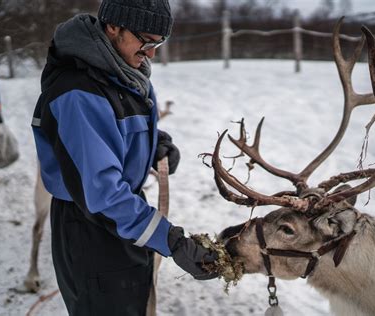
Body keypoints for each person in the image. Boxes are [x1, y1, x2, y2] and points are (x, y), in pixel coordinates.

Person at [31, 1, 218, 315]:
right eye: (147, 40)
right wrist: (172, 241)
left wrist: (152, 144)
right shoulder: (78, 93)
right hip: (93, 228)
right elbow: (102, 194)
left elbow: (114, 128)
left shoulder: (119, 71)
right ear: (113, 27)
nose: (152, 53)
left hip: (125, 218)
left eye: (159, 42)